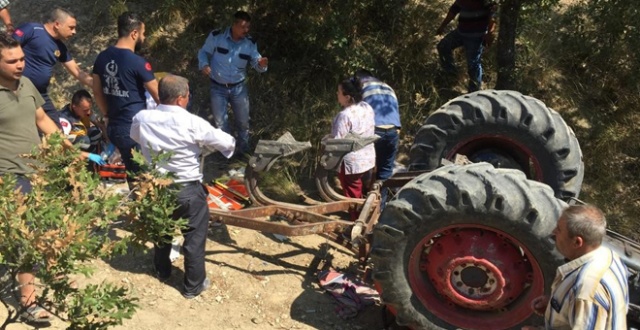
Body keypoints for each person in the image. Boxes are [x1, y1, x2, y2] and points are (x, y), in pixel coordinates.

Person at [0, 32, 102, 324]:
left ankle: (50, 281)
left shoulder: (27, 84)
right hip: (8, 177)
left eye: (22, 58)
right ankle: (28, 301)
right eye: (12, 61)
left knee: (46, 226)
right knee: (25, 238)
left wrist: (72, 152)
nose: (20, 65)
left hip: (38, 171)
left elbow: (43, 120)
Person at [130, 74, 235, 299]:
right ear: (180, 99)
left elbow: (136, 137)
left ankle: (162, 270)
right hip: (187, 189)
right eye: (188, 95)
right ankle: (193, 285)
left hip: (156, 187)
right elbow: (226, 142)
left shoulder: (142, 117)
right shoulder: (191, 122)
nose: (189, 99)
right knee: (194, 238)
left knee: (162, 230)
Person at [523, 205, 629, 330]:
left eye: (559, 229)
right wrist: (556, 306)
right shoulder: (609, 256)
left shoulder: (586, 292)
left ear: (577, 242)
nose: (553, 232)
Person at [92, 11, 158, 179]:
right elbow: (159, 96)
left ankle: (137, 200)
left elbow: (97, 92)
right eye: (143, 33)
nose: (144, 37)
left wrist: (107, 115)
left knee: (132, 172)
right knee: (145, 176)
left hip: (115, 128)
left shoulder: (102, 58)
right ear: (134, 33)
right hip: (135, 129)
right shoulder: (138, 62)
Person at [197, 10, 268, 159]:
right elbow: (203, 52)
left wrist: (261, 64)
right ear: (234, 25)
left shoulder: (250, 43)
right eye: (243, 27)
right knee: (221, 123)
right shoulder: (217, 37)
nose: (246, 30)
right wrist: (204, 64)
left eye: (248, 27)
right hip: (217, 87)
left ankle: (244, 152)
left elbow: (257, 64)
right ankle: (226, 153)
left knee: (243, 122)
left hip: (238, 88)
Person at [12, 8, 93, 121]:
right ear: (57, 24)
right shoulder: (32, 29)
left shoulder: (61, 47)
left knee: (56, 130)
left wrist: (96, 85)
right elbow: (6, 48)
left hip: (40, 94)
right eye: (71, 27)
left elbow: (77, 72)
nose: (74, 32)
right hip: (17, 89)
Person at [330, 78, 376, 219]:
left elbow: (338, 142)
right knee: (360, 188)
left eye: (339, 92)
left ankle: (356, 222)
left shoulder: (344, 116)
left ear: (348, 97)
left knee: (352, 194)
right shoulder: (366, 107)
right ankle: (364, 213)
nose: (337, 95)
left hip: (352, 163)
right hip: (368, 158)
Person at [436, 0, 497, 92]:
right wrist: (442, 26)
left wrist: (490, 33)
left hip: (476, 36)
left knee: (473, 64)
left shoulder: (487, 1)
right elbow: (453, 11)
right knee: (443, 46)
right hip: (461, 32)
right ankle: (451, 75)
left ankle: (474, 91)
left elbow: (492, 17)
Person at [353, 69, 400, 182]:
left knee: (363, 166)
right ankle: (381, 199)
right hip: (393, 130)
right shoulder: (387, 87)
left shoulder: (360, 85)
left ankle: (363, 197)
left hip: (374, 130)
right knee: (385, 172)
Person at [58, 89, 104, 154]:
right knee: (85, 141)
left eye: (89, 109)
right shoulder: (65, 120)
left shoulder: (84, 111)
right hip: (70, 147)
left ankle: (94, 156)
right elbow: (62, 142)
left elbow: (98, 124)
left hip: (83, 135)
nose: (88, 112)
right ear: (75, 107)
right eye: (85, 110)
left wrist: (105, 132)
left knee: (96, 133)